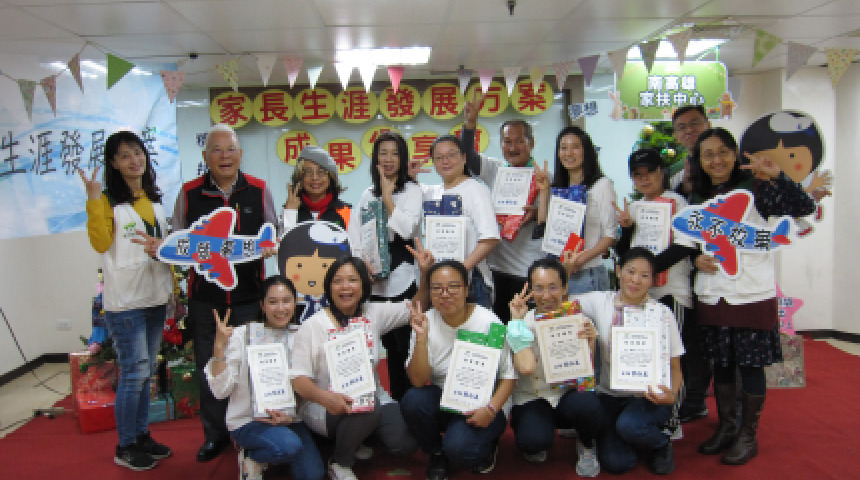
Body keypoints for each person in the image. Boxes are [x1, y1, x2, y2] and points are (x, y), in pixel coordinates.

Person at [686, 127, 815, 465]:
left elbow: (803, 206)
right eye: (708, 154)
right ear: (699, 161)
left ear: (735, 154)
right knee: (722, 364)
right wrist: (695, 258)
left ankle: (747, 435)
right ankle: (728, 427)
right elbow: (689, 242)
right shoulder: (698, 196)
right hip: (713, 294)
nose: (716, 160)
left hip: (750, 293)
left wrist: (778, 177)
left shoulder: (758, 188)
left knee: (750, 365)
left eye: (723, 152)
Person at [168, 123, 279, 462]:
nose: (225, 156)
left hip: (249, 297)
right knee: (210, 368)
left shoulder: (259, 189)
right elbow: (177, 238)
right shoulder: (189, 193)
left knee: (251, 367)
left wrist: (270, 245)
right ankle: (214, 436)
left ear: (240, 154)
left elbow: (274, 230)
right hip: (206, 300)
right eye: (217, 150)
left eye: (230, 149)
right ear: (206, 156)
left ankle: (253, 430)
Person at [290, 254, 433, 480]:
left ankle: (357, 436)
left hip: (372, 398)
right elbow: (298, 381)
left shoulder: (372, 313)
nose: (345, 287)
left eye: (352, 280)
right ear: (328, 287)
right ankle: (340, 461)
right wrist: (328, 399)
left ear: (364, 285)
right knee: (368, 408)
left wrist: (425, 273)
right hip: (325, 405)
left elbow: (417, 306)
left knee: (404, 444)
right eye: (338, 281)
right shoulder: (312, 326)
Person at [79, 131, 173, 471]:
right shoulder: (107, 201)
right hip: (127, 301)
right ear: (114, 164)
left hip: (155, 296)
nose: (134, 160)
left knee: (146, 372)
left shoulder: (153, 199)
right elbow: (100, 243)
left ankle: (142, 435)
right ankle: (126, 444)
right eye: (125, 155)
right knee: (134, 372)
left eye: (138, 152)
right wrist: (93, 199)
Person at [565, 248, 684, 475]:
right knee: (617, 463)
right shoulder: (601, 302)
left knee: (629, 426)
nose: (635, 280)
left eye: (644, 275)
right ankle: (630, 435)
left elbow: (676, 368)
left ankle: (660, 442)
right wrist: (568, 270)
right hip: (610, 395)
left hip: (648, 397)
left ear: (653, 280)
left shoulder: (662, 313)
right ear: (618, 271)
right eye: (630, 271)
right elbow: (560, 301)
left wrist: (671, 395)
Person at [400, 260, 516, 480]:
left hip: (484, 403)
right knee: (413, 400)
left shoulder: (488, 322)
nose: (445, 294)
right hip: (445, 398)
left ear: (466, 289)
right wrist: (421, 339)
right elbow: (418, 381)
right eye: (437, 288)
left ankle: (487, 442)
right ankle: (436, 452)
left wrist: (491, 410)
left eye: (453, 286)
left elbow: (509, 375)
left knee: (461, 450)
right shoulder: (425, 321)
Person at [205, 275, 325, 480]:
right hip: (249, 421)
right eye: (273, 302)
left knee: (312, 475)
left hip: (289, 419)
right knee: (288, 446)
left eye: (286, 301)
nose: (281, 308)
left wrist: (291, 414)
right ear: (262, 305)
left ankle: (273, 448)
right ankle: (252, 457)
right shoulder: (243, 335)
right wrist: (219, 347)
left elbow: (308, 386)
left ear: (295, 302)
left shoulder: (301, 335)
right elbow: (220, 391)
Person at [614, 148, 695, 434]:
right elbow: (624, 254)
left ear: (662, 172)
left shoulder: (679, 203)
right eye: (637, 175)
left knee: (673, 358)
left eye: (650, 172)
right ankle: (647, 414)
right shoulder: (635, 208)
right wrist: (626, 229)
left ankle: (672, 419)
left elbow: (685, 246)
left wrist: (645, 271)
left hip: (672, 292)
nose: (644, 179)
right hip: (642, 298)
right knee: (647, 356)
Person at [505, 258, 603, 477]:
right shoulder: (521, 323)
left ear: (565, 288)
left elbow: (586, 376)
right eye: (539, 288)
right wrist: (516, 322)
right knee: (532, 442)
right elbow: (525, 368)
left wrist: (590, 342)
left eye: (553, 287)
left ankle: (586, 443)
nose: (546, 296)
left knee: (589, 406)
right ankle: (540, 430)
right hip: (533, 396)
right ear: (530, 290)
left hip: (567, 395)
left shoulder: (579, 321)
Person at [459, 91, 547, 323]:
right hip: (496, 270)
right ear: (501, 145)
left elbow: (555, 224)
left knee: (525, 332)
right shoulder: (496, 170)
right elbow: (467, 157)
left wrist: (538, 213)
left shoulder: (545, 177)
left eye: (520, 141)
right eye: (507, 141)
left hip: (528, 270)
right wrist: (470, 124)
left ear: (531, 143)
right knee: (498, 331)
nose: (513, 147)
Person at [347, 132, 423, 401]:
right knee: (382, 347)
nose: (389, 159)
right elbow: (355, 235)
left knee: (404, 346)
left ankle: (408, 402)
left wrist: (389, 198)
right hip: (374, 283)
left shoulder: (412, 191)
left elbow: (406, 229)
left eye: (395, 153)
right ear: (375, 159)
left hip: (404, 280)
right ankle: (381, 402)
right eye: (383, 153)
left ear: (402, 158)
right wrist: (362, 266)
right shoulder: (367, 194)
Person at [422, 135, 500, 309]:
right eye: (439, 157)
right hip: (441, 281)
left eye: (451, 155)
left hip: (471, 281)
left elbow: (490, 238)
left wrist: (459, 272)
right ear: (433, 163)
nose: (446, 161)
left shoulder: (475, 189)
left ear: (464, 158)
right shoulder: (434, 193)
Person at [548, 126, 618, 294]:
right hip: (560, 273)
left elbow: (610, 234)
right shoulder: (559, 188)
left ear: (586, 151)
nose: (568, 153)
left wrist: (580, 260)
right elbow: (546, 227)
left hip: (588, 273)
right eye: (563, 147)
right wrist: (544, 191)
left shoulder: (601, 185)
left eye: (575, 147)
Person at [283, 145, 351, 232]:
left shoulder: (345, 211)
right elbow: (284, 240)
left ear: (330, 177)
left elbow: (354, 241)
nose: (315, 178)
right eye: (308, 172)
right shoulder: (290, 209)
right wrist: (290, 212)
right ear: (300, 177)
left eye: (321, 172)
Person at [670, 105, 711, 194]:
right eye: (682, 127)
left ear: (708, 125)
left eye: (694, 123)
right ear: (676, 135)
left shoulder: (727, 162)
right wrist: (684, 190)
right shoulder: (674, 174)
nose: (689, 130)